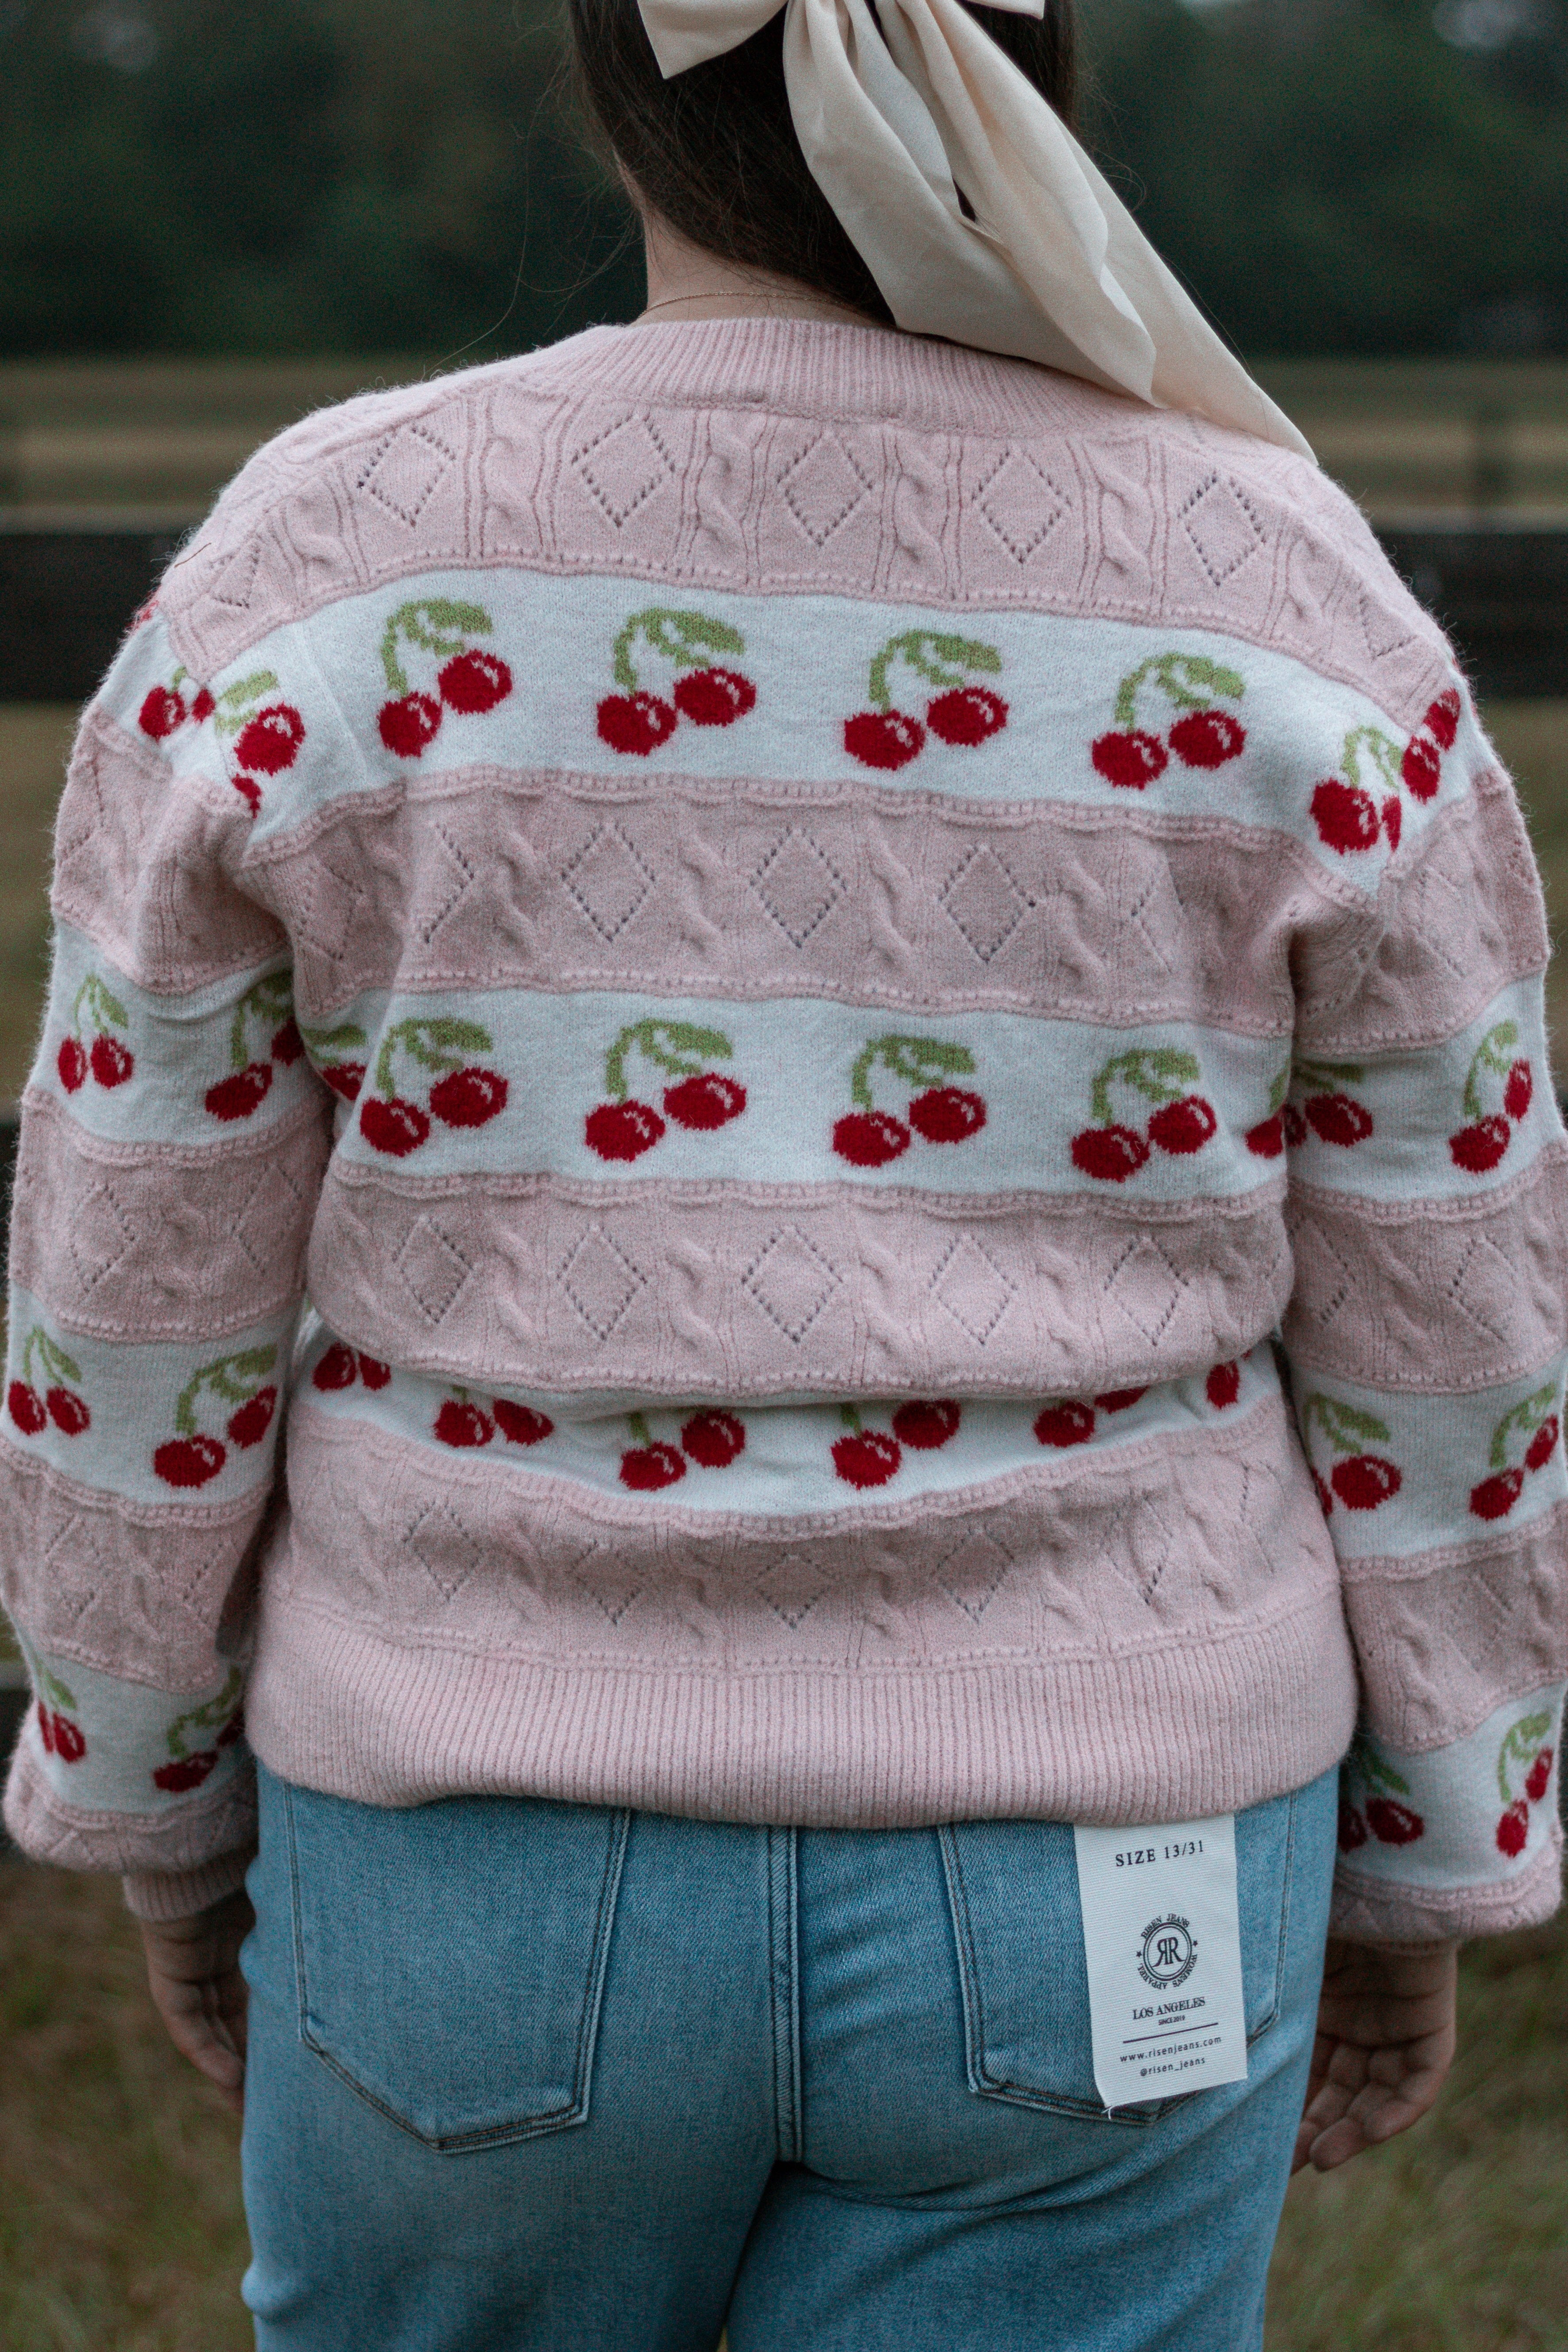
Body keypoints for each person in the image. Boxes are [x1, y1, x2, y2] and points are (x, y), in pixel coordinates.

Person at [4, 0, 1562, 2342]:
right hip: (1111, 1855)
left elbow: (132, 1267)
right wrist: (1440, 1849)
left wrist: (137, 1795)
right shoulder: (1271, 572)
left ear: (611, 88)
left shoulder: (324, 555)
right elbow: (1451, 1297)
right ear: (1031, 73)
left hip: (461, 1864)